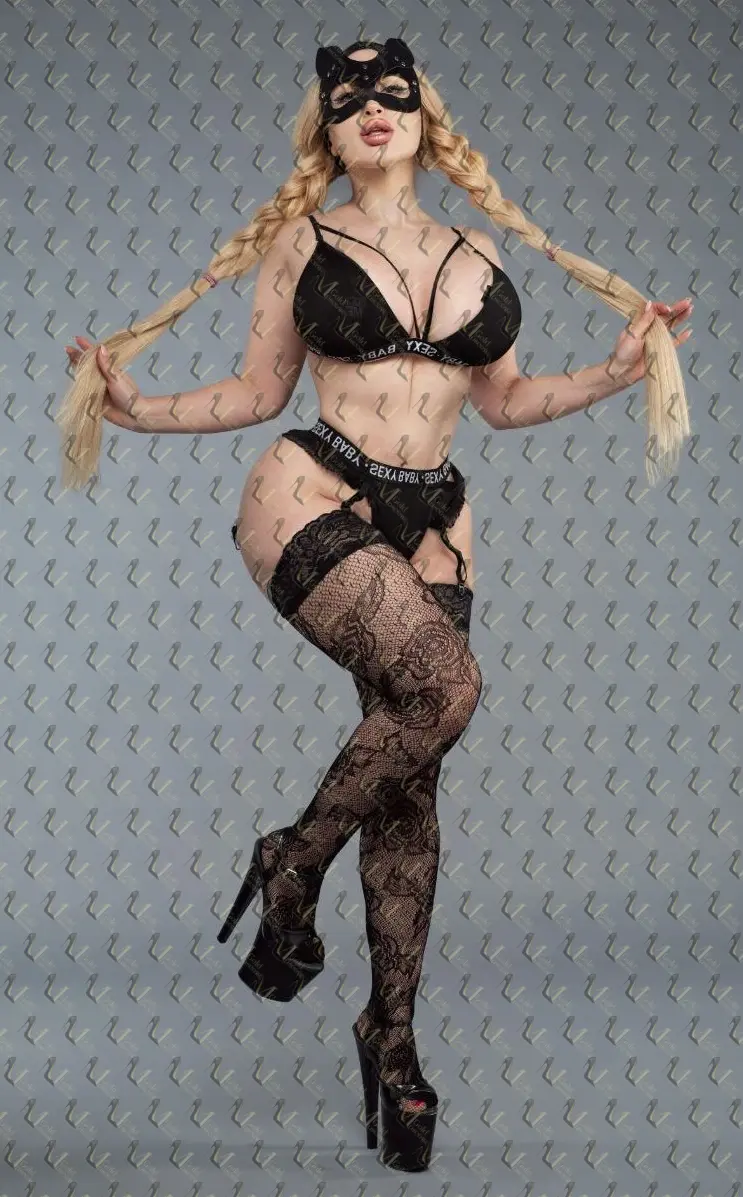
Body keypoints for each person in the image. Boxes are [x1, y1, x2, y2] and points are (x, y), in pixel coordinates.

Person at [61, 37, 693, 1173]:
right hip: (313, 489)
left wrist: (616, 371)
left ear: (422, 117)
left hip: (436, 517)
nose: (370, 107)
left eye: (389, 91)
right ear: (328, 129)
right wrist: (134, 409)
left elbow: (502, 402)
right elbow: (256, 391)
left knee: (411, 777)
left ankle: (389, 1040)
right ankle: (292, 859)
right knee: (446, 690)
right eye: (345, 95)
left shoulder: (474, 249)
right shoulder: (302, 243)